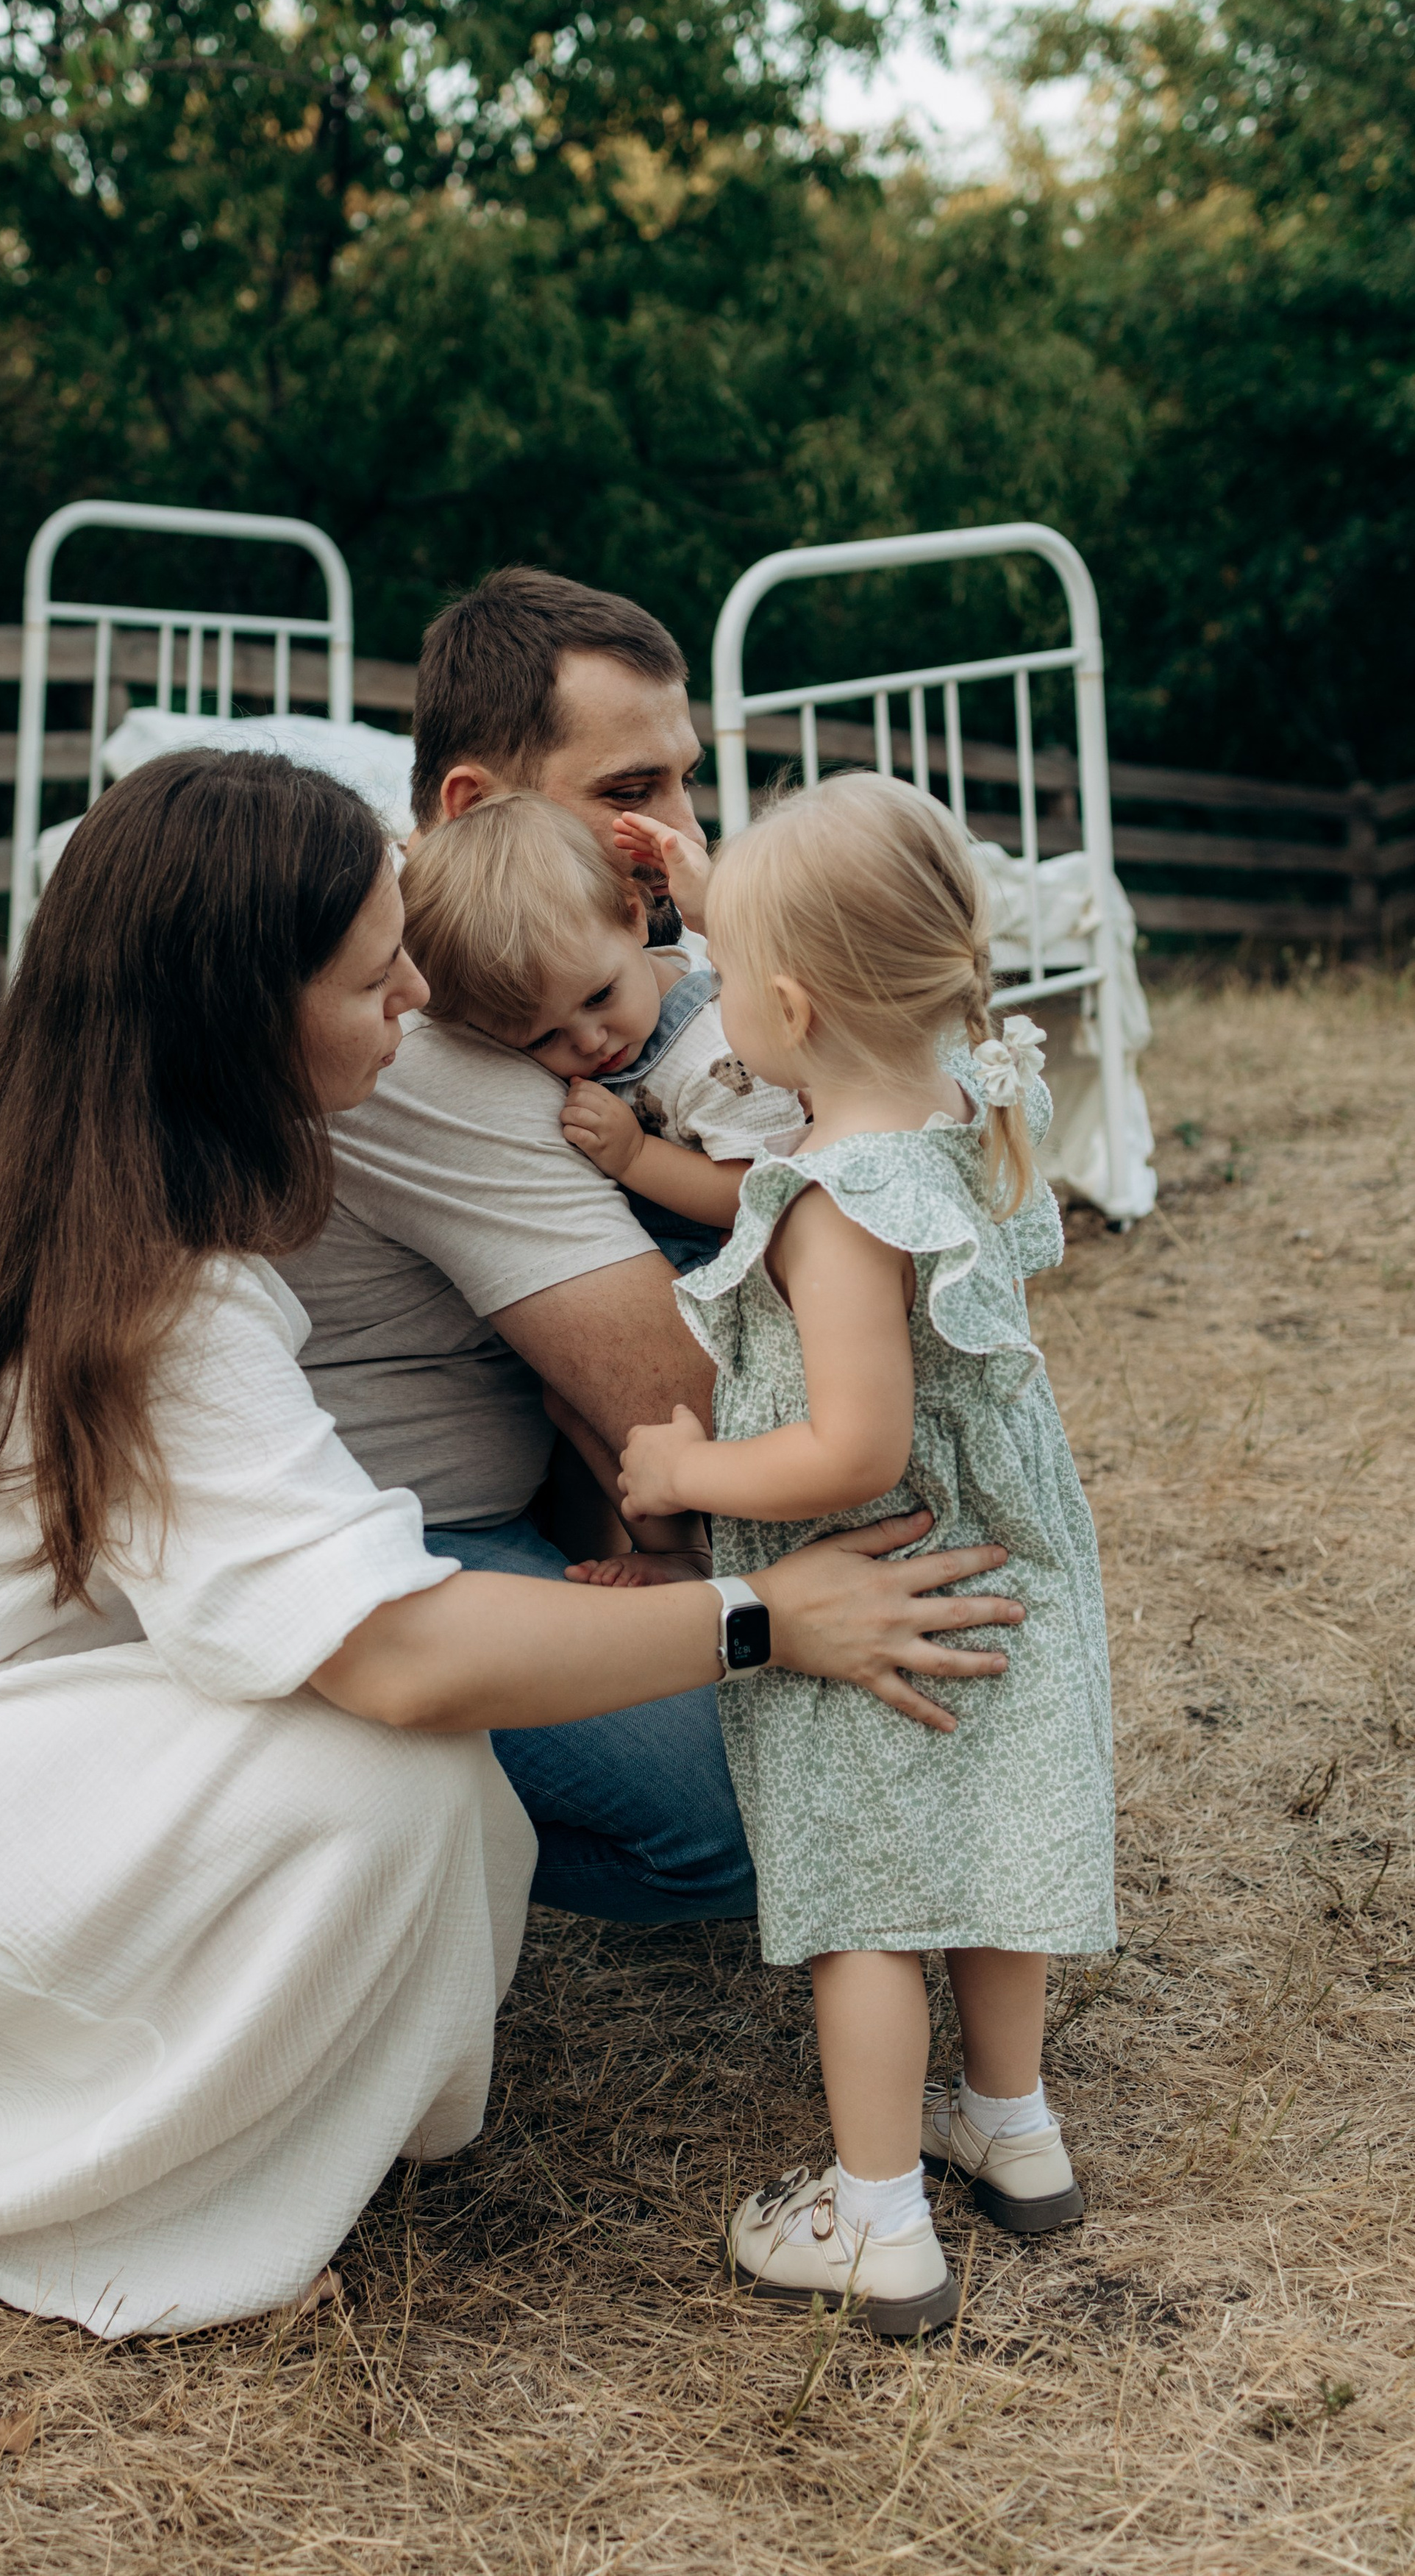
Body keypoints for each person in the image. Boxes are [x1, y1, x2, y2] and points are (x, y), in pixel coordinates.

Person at [0, 751, 1024, 2341]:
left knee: (415, 1770)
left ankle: (196, 2075)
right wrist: (760, 1616)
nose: (414, 992)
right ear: (243, 1009)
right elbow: (391, 1652)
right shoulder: (143, 1287)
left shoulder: (57, 1180)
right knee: (392, 1776)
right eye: (373, 970)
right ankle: (157, 2193)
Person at [610, 778, 1116, 2337]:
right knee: (982, 1849)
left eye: (726, 974)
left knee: (869, 1902)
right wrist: (713, 891)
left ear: (785, 1002)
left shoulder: (837, 1201)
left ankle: (876, 2219)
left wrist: (686, 1466)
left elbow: (852, 1449)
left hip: (873, 1566)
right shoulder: (956, 1101)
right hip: (997, 1567)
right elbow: (795, 1105)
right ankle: (1010, 2128)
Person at [277, 567, 766, 1921]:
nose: (678, 835)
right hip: (404, 1546)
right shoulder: (448, 1044)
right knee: (741, 1810)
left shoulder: (578, 975)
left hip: (528, 1496)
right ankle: (361, 1829)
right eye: (629, 794)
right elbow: (695, 1411)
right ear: (472, 811)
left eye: (686, 783)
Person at [398, 791, 802, 1273]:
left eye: (599, 997)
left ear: (634, 916)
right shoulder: (596, 995)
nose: (590, 1042)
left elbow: (765, 1193)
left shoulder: (717, 1055)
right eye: (543, 1039)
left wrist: (634, 1157)